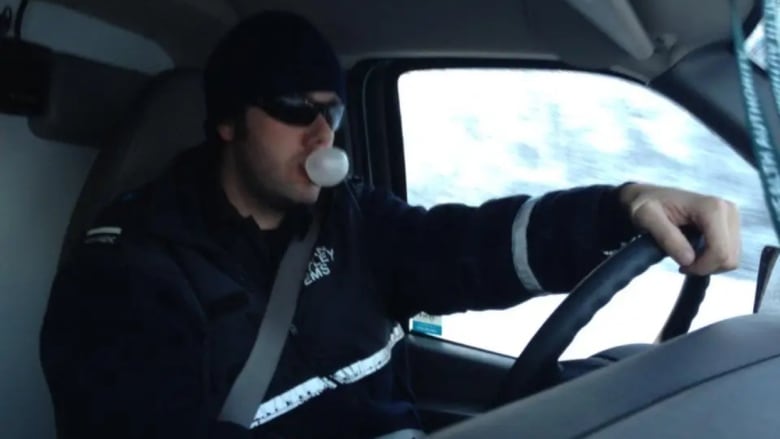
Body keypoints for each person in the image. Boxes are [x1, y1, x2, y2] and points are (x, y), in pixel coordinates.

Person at [39, 10, 741, 439]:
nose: (323, 138)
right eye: (292, 108)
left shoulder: (351, 219)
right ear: (226, 120)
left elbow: (469, 245)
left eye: (333, 112)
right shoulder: (128, 278)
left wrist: (620, 206)